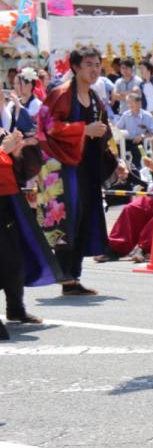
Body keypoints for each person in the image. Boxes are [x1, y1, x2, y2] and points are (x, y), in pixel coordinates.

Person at [38, 47, 124, 296]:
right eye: (89, 64)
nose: (95, 69)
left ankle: (73, 277)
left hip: (87, 165)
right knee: (67, 219)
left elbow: (104, 131)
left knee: (85, 217)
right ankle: (65, 276)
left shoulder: (96, 98)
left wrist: (116, 160)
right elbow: (47, 124)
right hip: (63, 165)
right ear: (75, 67)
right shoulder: (62, 93)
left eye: (97, 64)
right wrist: (83, 130)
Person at [0, 125, 58, 337]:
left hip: (7, 202)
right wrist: (3, 151)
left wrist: (16, 152)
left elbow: (17, 172)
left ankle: (15, 308)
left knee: (14, 261)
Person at [113, 90, 153, 167]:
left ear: (139, 103)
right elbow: (117, 128)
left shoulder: (146, 115)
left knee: (137, 151)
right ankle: (121, 171)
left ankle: (137, 173)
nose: (129, 104)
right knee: (113, 150)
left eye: (131, 102)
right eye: (128, 102)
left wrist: (142, 136)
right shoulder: (125, 115)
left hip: (142, 143)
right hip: (127, 141)